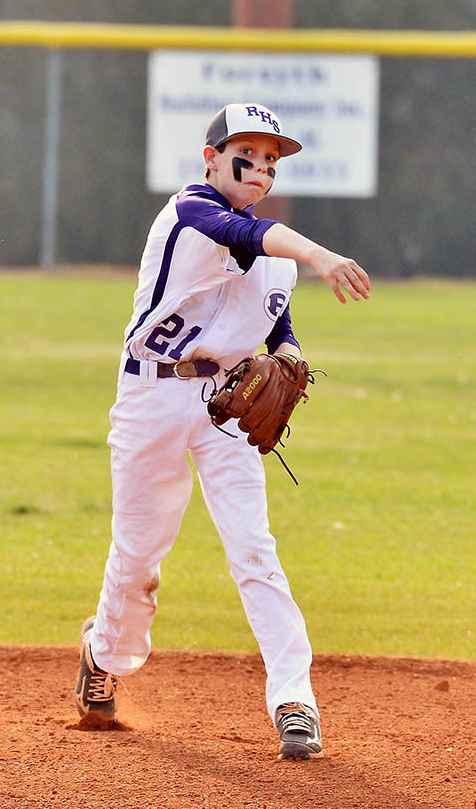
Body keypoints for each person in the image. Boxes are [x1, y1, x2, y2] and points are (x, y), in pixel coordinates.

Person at [74, 102, 370, 760]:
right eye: (248, 153)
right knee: (137, 556)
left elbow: (275, 314)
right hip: (150, 394)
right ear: (210, 156)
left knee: (252, 548)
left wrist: (289, 352)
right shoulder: (189, 212)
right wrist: (321, 253)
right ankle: (103, 652)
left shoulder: (274, 251)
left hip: (223, 408)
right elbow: (246, 238)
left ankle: (294, 699)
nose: (261, 167)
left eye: (271, 159)